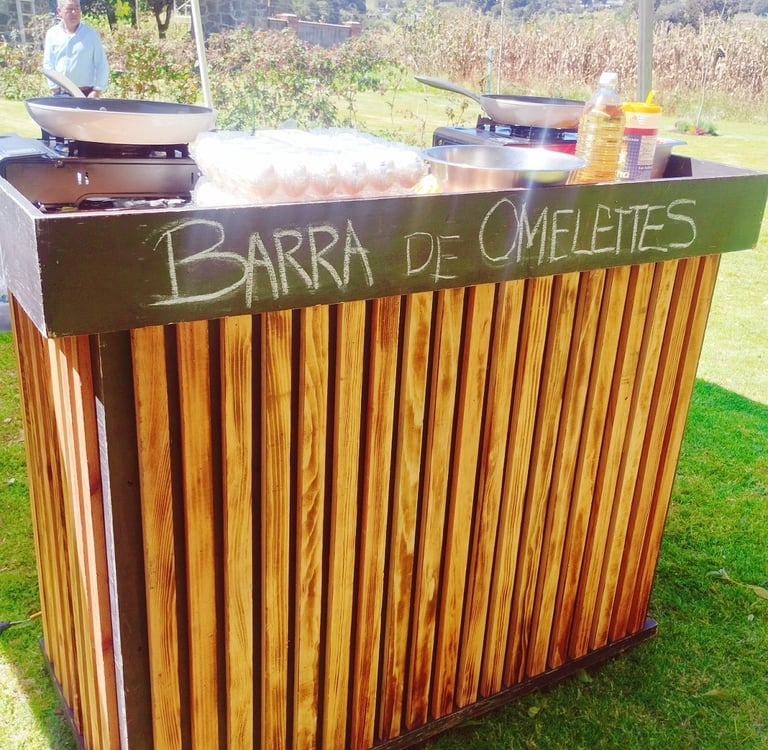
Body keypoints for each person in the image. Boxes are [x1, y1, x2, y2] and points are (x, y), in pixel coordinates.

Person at [43, 0, 109, 98]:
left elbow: (101, 64)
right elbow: (48, 64)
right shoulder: (52, 34)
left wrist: (97, 90)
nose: (74, 12)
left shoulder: (90, 34)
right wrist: (54, 88)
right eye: (70, 9)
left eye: (77, 8)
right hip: (61, 94)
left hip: (86, 93)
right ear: (59, 11)